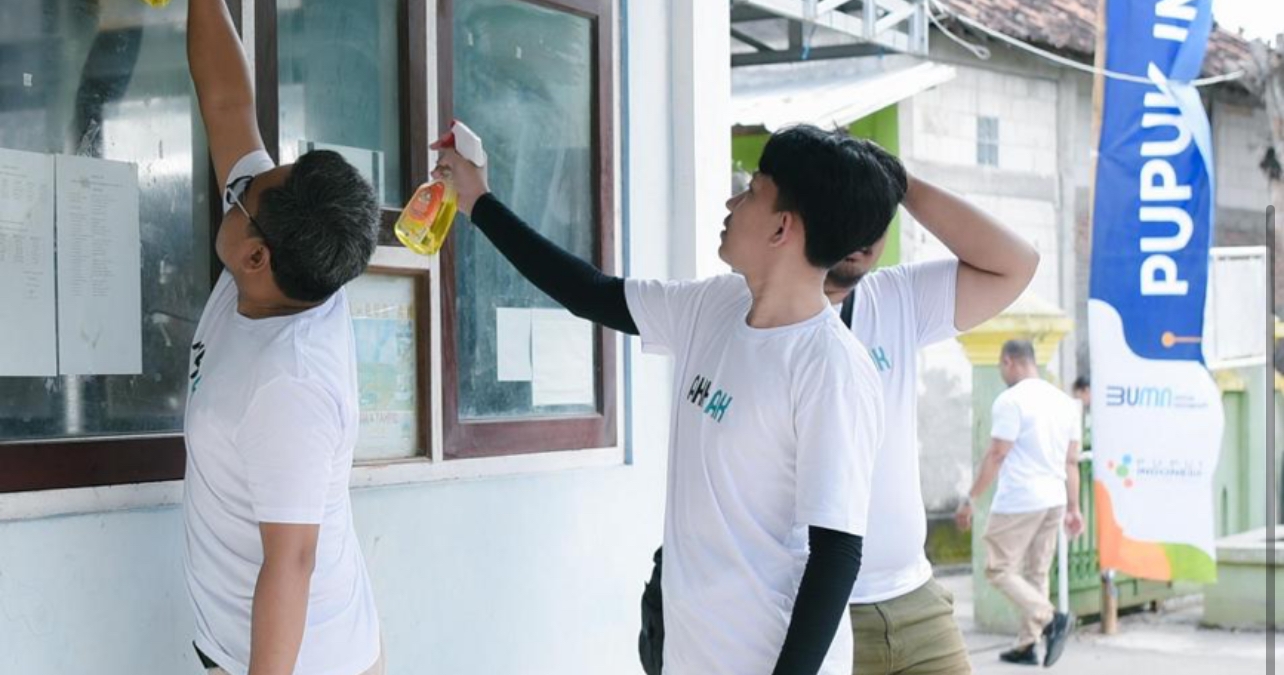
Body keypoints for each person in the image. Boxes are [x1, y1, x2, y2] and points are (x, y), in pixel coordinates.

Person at [434, 125, 901, 675]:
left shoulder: (831, 369)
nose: (732, 203)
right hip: (689, 654)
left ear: (783, 227)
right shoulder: (716, 305)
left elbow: (836, 554)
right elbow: (589, 293)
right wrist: (478, 201)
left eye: (752, 191)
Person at [181, 0, 384, 675]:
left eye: (248, 191)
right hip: (239, 642)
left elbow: (291, 563)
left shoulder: (289, 387)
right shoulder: (289, 265)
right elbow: (228, 105)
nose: (242, 176)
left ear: (256, 256)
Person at [824, 163, 1039, 675]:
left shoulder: (893, 297)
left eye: (876, 215)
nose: (863, 234)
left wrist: (901, 183)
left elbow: (1017, 264)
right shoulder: (755, 313)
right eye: (847, 211)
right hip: (815, 612)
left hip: (915, 599)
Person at [956, 340, 1083, 668]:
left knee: (998, 568)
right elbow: (1072, 462)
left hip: (1020, 499)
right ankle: (1028, 644)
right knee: (1036, 572)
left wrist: (971, 499)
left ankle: (1050, 618)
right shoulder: (1065, 403)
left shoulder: (1011, 400)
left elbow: (998, 453)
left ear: (1009, 361)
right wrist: (1074, 508)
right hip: (1054, 499)